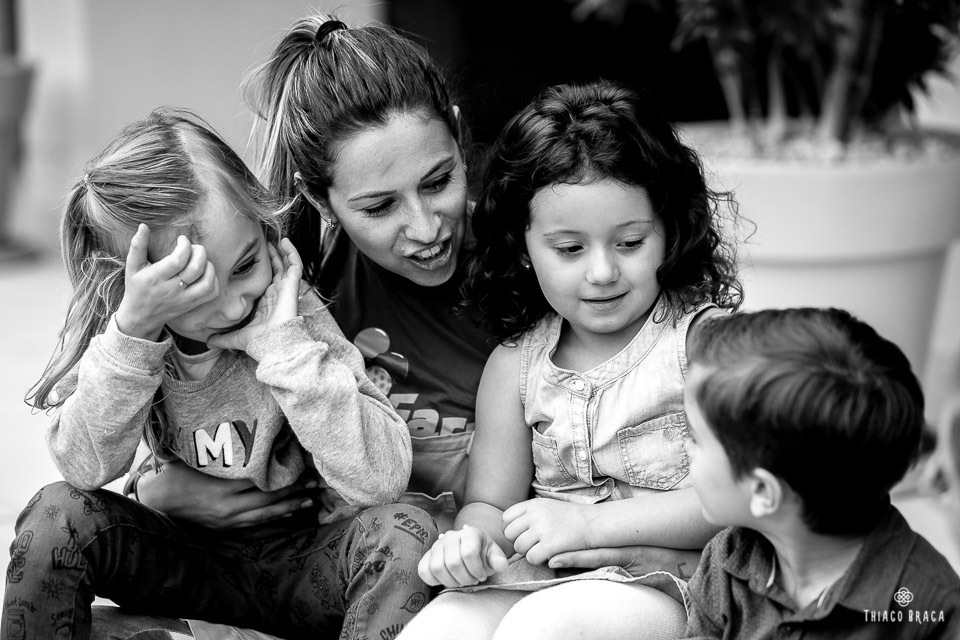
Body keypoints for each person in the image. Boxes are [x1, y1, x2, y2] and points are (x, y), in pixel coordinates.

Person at [1, 108, 436, 640]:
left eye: (246, 265)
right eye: (195, 291)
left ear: (263, 224)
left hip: (308, 566)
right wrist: (135, 333)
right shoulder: (131, 339)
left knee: (407, 532)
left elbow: (381, 477)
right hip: (189, 560)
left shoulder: (288, 313)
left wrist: (285, 347)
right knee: (55, 516)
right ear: (139, 288)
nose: (234, 308)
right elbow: (85, 468)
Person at [405, 79, 743, 640]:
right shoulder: (516, 365)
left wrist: (588, 523)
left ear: (669, 230)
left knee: (542, 628)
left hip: (666, 584)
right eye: (569, 249)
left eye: (630, 242)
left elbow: (731, 499)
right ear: (523, 245)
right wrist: (472, 543)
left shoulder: (700, 346)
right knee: (438, 629)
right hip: (537, 576)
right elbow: (492, 502)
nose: (603, 272)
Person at [131, 13, 491, 536]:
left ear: (458, 136)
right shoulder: (289, 286)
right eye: (379, 207)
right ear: (320, 198)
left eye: (438, 182)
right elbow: (198, 417)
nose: (425, 227)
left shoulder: (537, 267)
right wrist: (154, 488)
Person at [682, 307, 960, 639]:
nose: (686, 447)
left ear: (762, 492)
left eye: (697, 439)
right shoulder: (727, 560)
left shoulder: (929, 606)